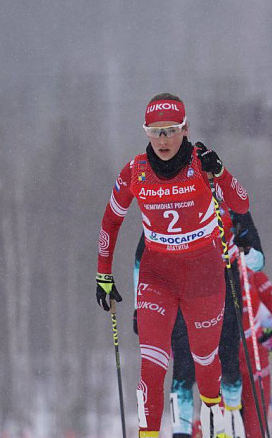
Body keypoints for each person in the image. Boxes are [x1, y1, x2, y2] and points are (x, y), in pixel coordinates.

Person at [96, 93, 249, 438]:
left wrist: (221, 172)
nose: (163, 140)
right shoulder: (135, 170)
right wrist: (103, 272)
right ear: (146, 132)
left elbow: (241, 202)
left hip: (204, 277)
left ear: (185, 129)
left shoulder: (201, 164)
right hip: (157, 275)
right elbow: (110, 220)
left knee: (206, 365)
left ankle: (215, 426)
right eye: (155, 131)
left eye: (170, 130)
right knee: (151, 364)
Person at [133, 205, 265, 438]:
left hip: (224, 284)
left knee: (228, 365)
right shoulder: (175, 195)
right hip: (183, 285)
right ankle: (181, 431)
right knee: (183, 368)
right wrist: (138, 307)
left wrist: (246, 250)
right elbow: (141, 258)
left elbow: (258, 262)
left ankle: (228, 427)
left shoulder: (230, 202)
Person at [237, 268, 272, 438]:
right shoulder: (209, 271)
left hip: (255, 361)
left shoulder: (253, 276)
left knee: (255, 429)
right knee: (222, 426)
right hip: (224, 364)